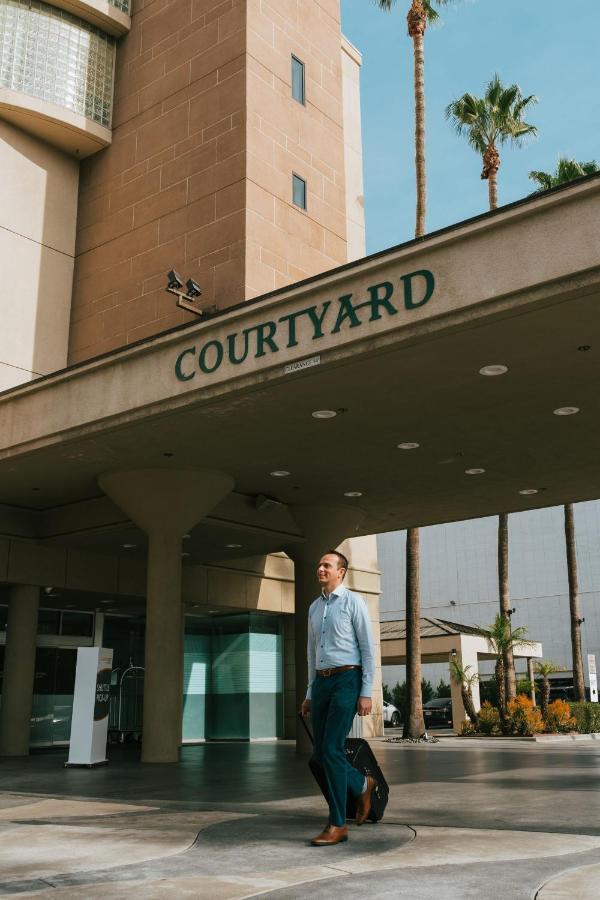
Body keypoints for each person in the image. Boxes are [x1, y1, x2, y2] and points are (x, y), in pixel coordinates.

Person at [300, 549, 377, 846]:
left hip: (347, 678)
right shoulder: (313, 608)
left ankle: (337, 823)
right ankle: (361, 783)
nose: (321, 568)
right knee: (321, 754)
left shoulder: (354, 602)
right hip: (321, 682)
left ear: (341, 572)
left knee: (331, 748)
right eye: (319, 564)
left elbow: (368, 649)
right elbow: (311, 653)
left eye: (327, 565)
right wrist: (309, 692)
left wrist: (366, 691)